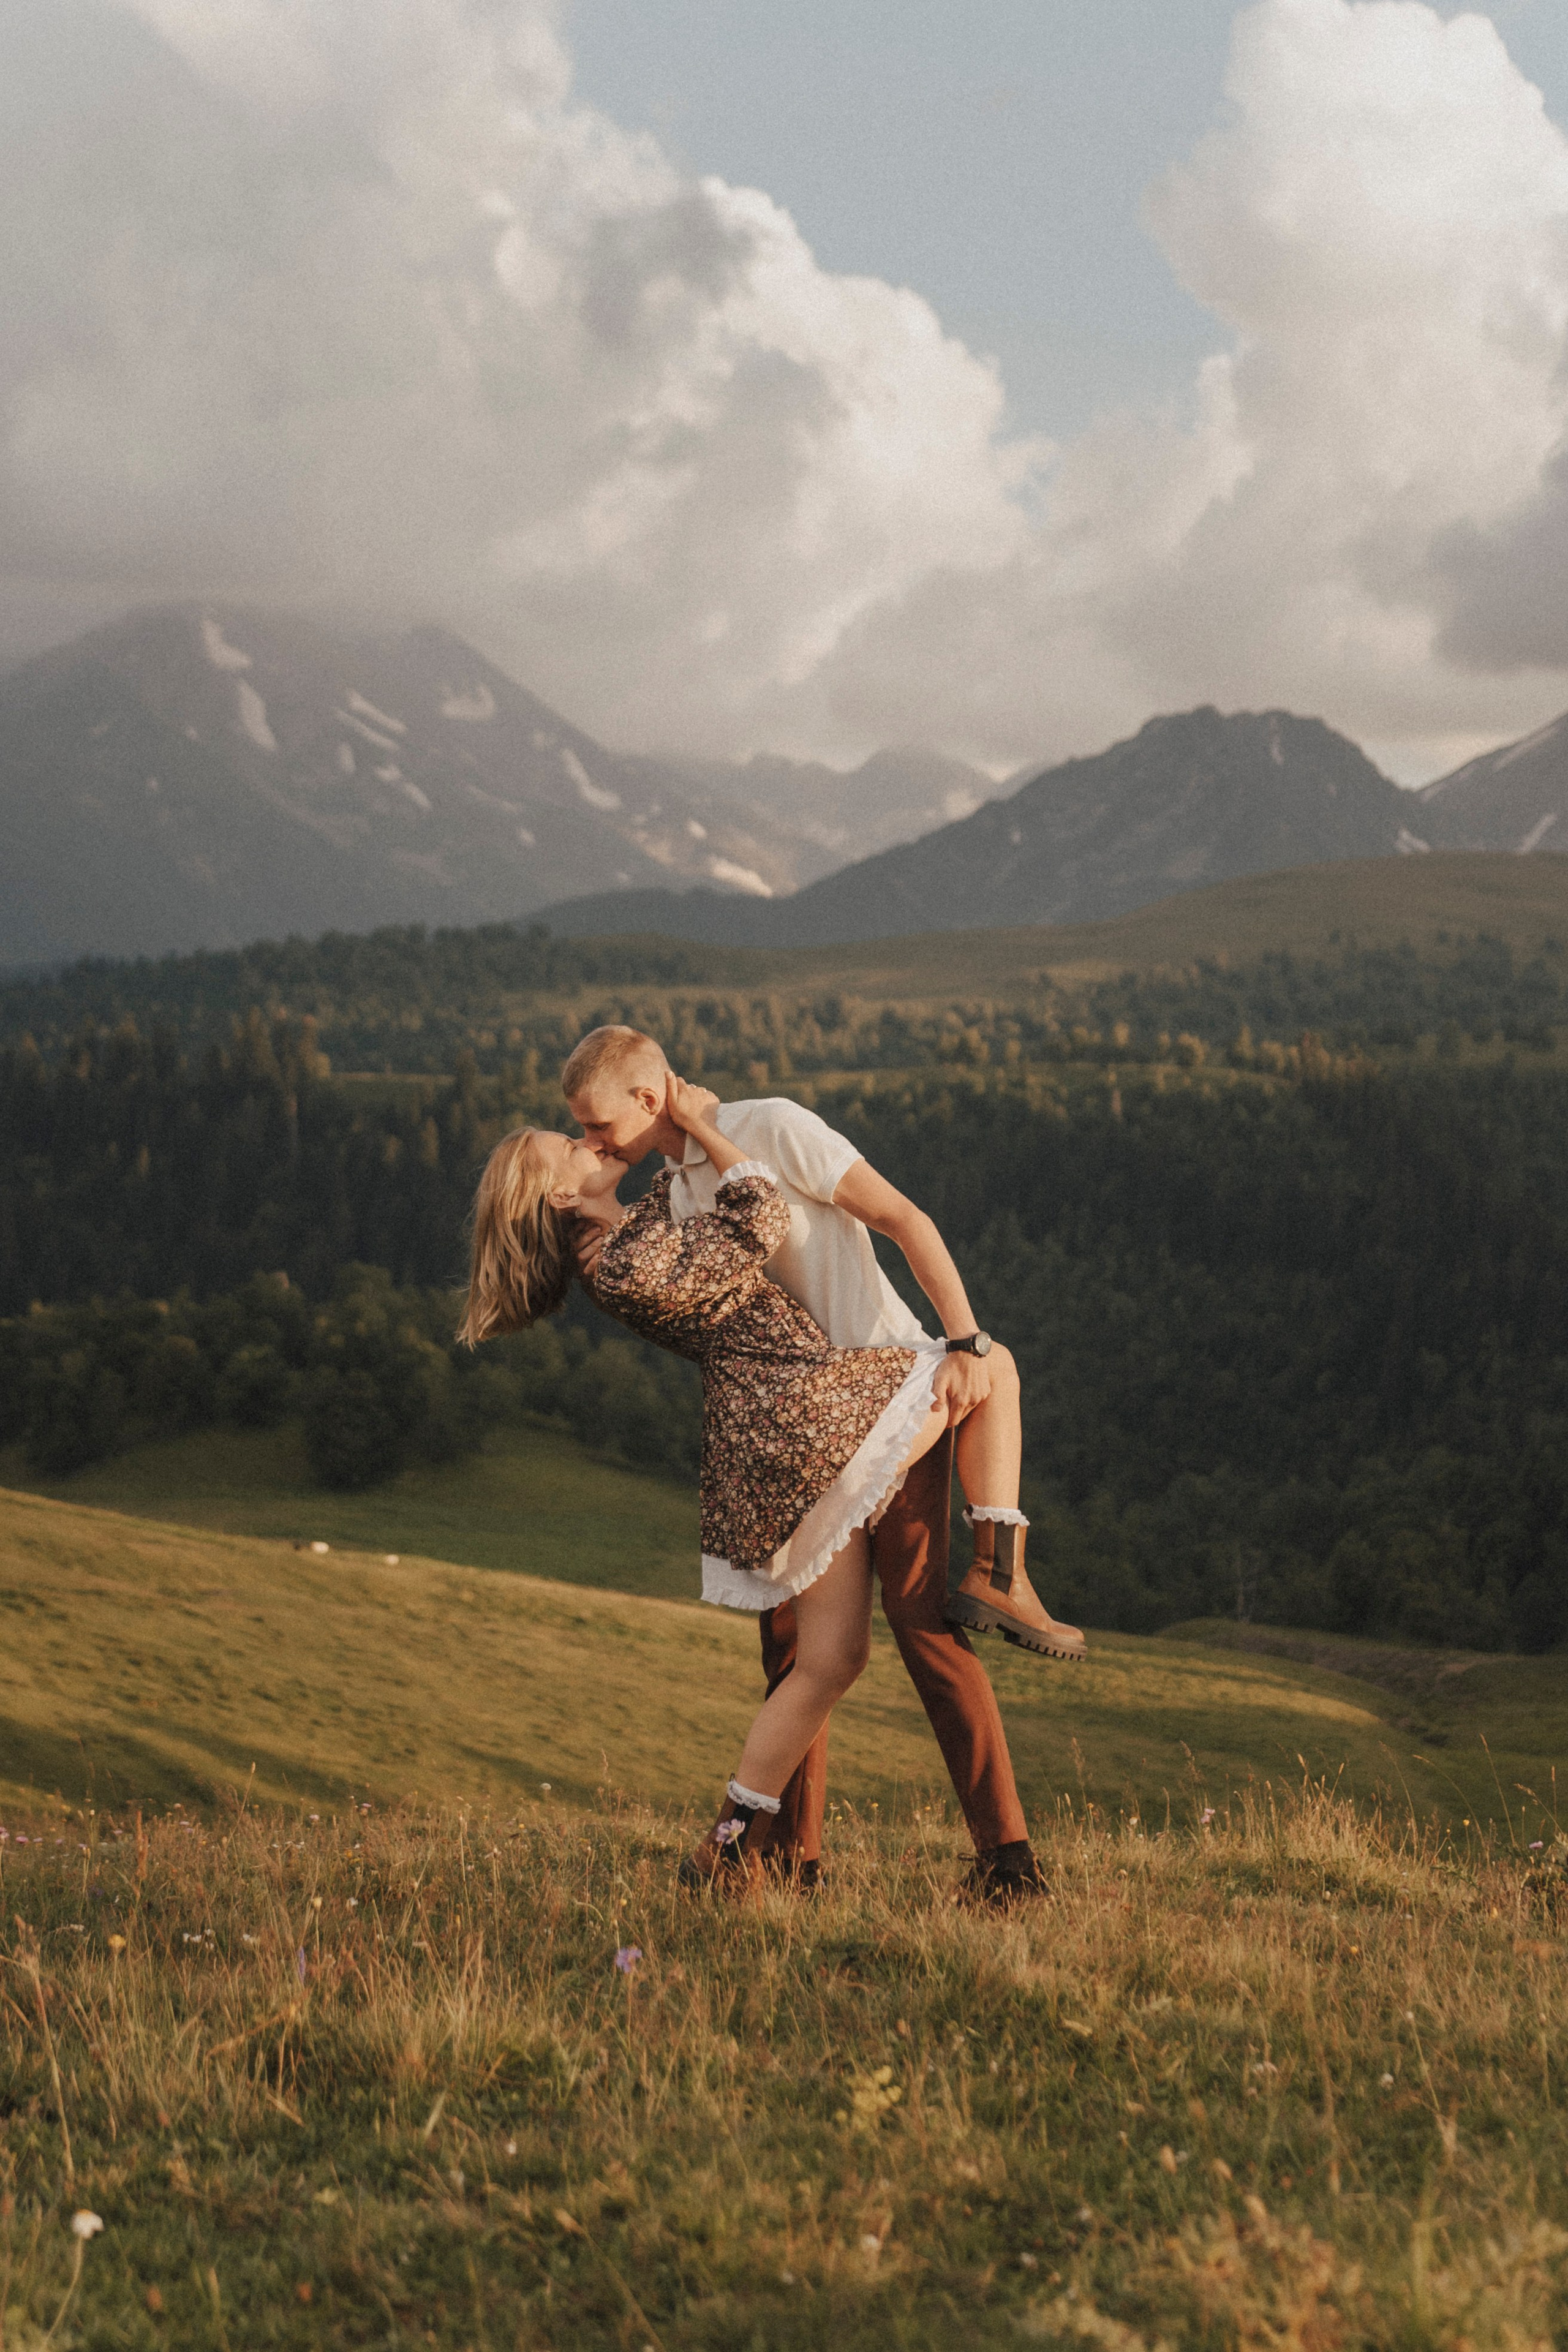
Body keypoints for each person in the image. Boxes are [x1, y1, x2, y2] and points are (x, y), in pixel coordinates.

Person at [458, 1077, 1082, 1894]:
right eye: (569, 1145)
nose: (588, 1142)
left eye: (585, 1129)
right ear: (560, 1193)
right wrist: (709, 1133)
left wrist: (684, 1131)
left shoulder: (626, 1229)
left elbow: (671, 1187)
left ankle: (726, 1851)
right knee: (986, 1363)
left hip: (782, 1423)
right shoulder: (624, 1257)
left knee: (828, 1661)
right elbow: (759, 1213)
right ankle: (1001, 1575)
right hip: (804, 1413)